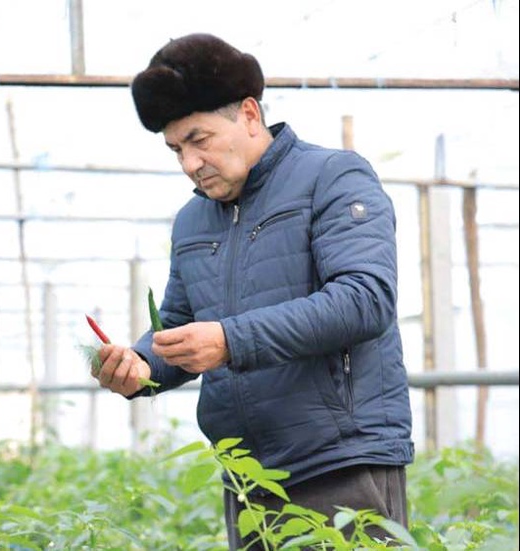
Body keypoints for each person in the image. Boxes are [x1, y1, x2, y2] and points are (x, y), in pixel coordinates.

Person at [92, 34, 414, 548]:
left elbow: (364, 299)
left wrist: (229, 340)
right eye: (176, 149)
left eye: (199, 139)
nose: (190, 163)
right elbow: (178, 324)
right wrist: (141, 364)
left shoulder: (333, 177)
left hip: (340, 465)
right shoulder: (193, 220)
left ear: (248, 114)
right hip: (248, 479)